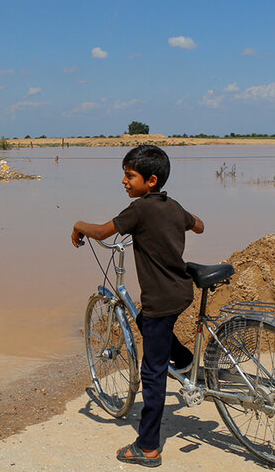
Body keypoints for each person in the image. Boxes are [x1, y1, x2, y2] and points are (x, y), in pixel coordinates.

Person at [71, 144, 204, 467]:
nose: (124, 182)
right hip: (182, 291)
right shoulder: (172, 206)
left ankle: (147, 447)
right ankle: (188, 364)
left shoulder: (140, 210)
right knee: (147, 324)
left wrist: (78, 225)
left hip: (160, 298)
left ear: (151, 181)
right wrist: (182, 224)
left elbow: (103, 231)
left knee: (153, 371)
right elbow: (198, 224)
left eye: (130, 176)